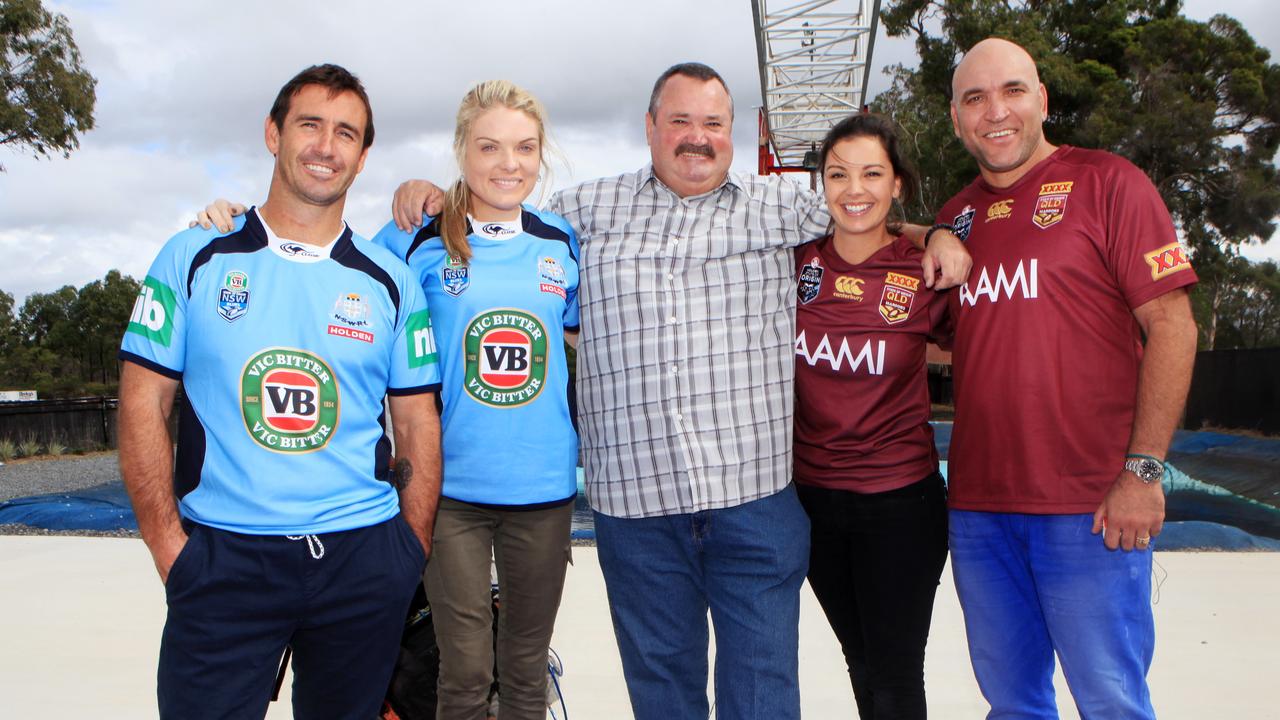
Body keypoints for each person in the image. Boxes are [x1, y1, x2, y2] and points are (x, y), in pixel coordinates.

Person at [209, 61, 972, 719]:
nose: (696, 136)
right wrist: (418, 193)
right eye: (679, 120)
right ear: (649, 127)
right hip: (639, 512)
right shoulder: (579, 216)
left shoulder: (783, 209)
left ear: (733, 131)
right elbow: (474, 211)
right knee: (661, 692)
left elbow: (866, 208)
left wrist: (938, 233)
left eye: (713, 121)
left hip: (754, 501)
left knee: (762, 693)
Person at [118, 64, 443, 719]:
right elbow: (141, 403)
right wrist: (169, 548)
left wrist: (408, 549)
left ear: (363, 155)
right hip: (223, 561)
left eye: (345, 133)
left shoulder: (391, 281)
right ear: (274, 133)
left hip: (362, 558)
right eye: (310, 125)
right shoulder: (194, 256)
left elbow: (416, 422)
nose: (326, 146)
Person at [936, 38, 1199, 718]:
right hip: (980, 509)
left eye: (1013, 91)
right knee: (1013, 703)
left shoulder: (1109, 183)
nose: (996, 111)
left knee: (1110, 700)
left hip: (1091, 507)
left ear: (1042, 100)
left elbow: (1173, 325)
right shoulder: (957, 217)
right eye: (975, 98)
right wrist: (926, 230)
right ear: (957, 119)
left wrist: (1144, 471)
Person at [371, 80, 580, 720]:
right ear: (463, 150)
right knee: (462, 672)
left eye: (524, 147)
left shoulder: (560, 242)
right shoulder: (416, 237)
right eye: (489, 147)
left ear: (540, 154)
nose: (508, 164)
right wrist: (232, 221)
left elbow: (581, 331)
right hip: (451, 489)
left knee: (524, 671)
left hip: (543, 488)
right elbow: (327, 275)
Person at [792, 113, 949, 719]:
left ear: (896, 185)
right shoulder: (794, 261)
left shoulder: (925, 269)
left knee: (895, 672)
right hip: (812, 503)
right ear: (822, 184)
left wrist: (941, 233)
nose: (854, 189)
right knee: (860, 658)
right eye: (838, 174)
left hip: (900, 505)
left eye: (871, 174)